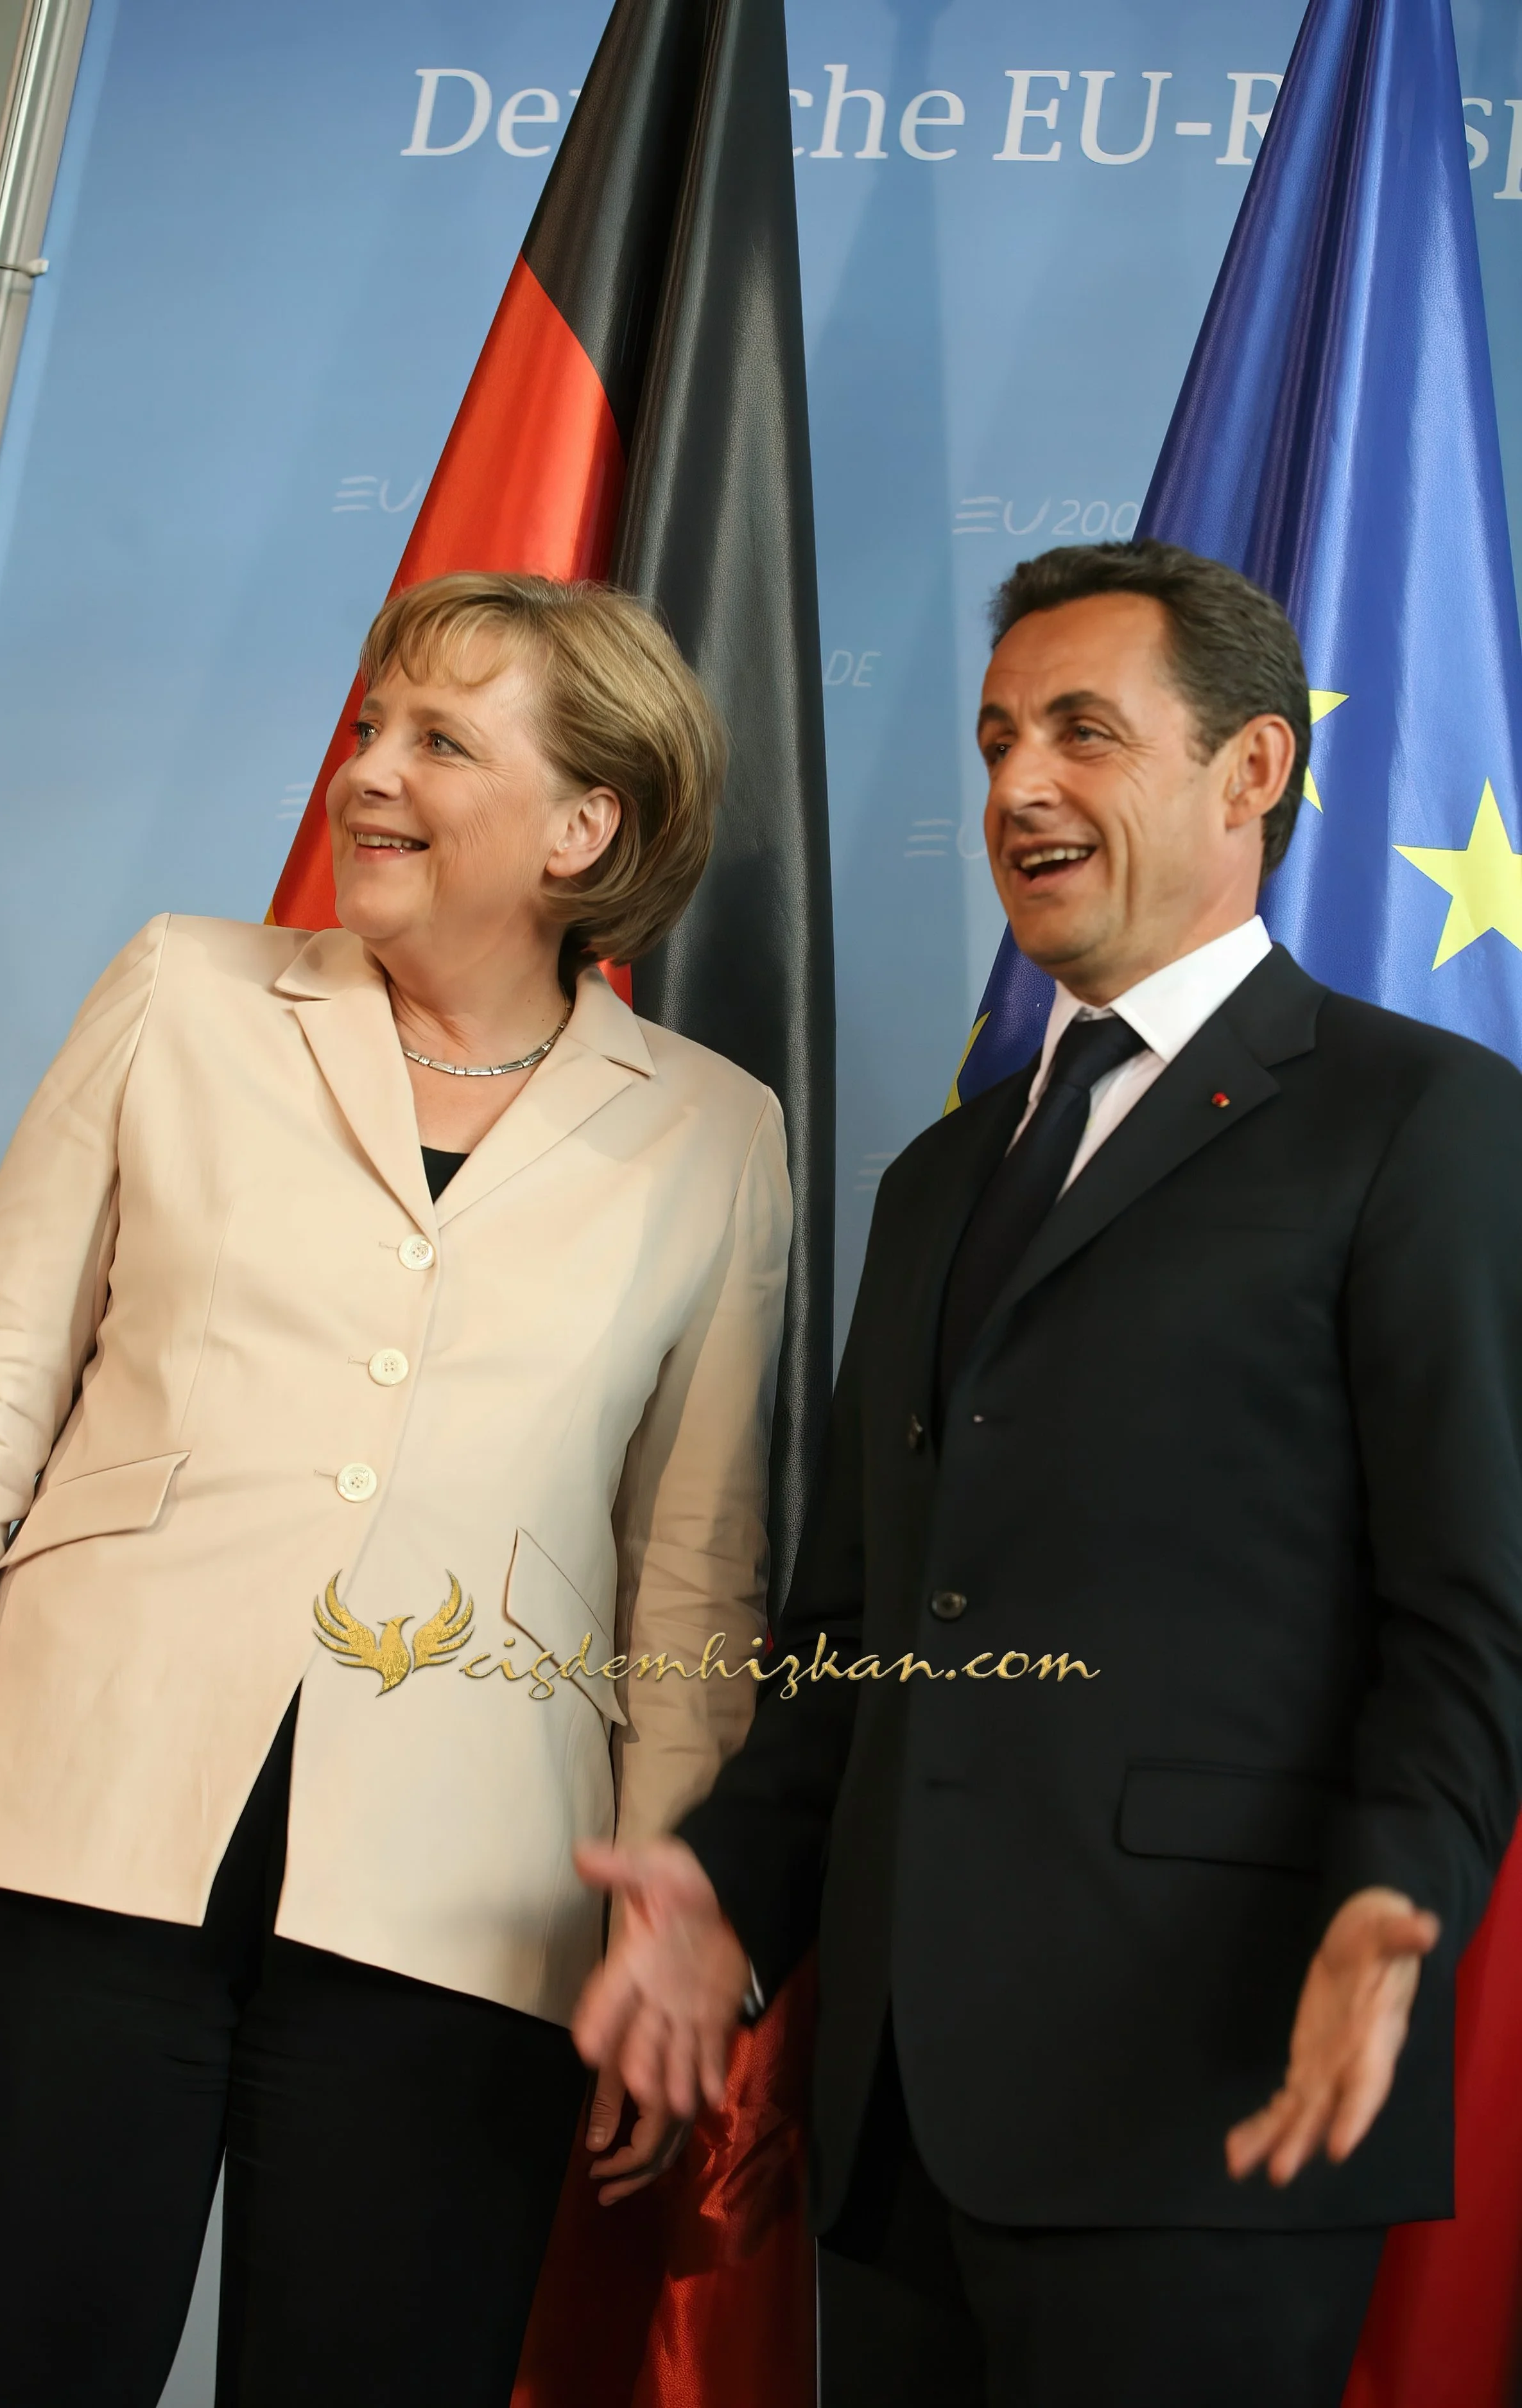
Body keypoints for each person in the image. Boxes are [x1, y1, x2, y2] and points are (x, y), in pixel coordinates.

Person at [573, 539, 1522, 2408]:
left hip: (1211, 2077)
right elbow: (857, 1625)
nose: (1019, 785)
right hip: (903, 2114)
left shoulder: (1419, 1120)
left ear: (1249, 771)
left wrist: (1395, 1887)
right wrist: (727, 1898)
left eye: (1085, 732)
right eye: (1000, 737)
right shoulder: (943, 1177)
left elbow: (1471, 1608)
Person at [0, 571, 790, 2407]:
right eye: (373, 724)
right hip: (68, 1831)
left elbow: (691, 1572)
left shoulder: (714, 1130)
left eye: (440, 742)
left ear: (582, 827)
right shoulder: (184, 987)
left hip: (468, 1912)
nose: (369, 768)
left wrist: (670, 1910)